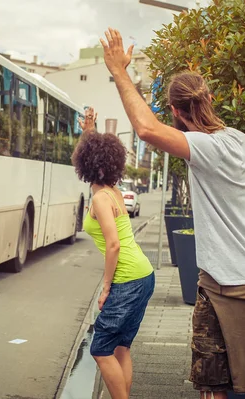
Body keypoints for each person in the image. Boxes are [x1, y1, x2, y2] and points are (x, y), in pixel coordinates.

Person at [99, 28, 245, 399]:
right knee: (221, 384)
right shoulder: (242, 141)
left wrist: (120, 71)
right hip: (233, 283)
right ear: (211, 98)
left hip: (236, 287)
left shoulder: (209, 148)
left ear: (175, 112)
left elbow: (146, 129)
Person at [72, 107, 155, 399]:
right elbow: (96, 153)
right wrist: (89, 131)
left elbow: (113, 245)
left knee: (100, 348)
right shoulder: (113, 190)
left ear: (88, 166)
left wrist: (106, 287)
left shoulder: (100, 199)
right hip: (144, 275)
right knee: (121, 348)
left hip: (128, 280)